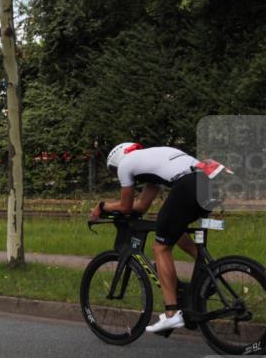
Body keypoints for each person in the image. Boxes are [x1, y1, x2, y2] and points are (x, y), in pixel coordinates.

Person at [90, 143, 222, 334]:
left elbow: (126, 207)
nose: (116, 173)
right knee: (171, 229)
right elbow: (141, 206)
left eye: (113, 170)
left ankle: (171, 314)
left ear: (118, 159)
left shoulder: (126, 164)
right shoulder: (152, 161)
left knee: (160, 247)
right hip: (212, 180)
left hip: (190, 183)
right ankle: (211, 269)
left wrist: (102, 206)